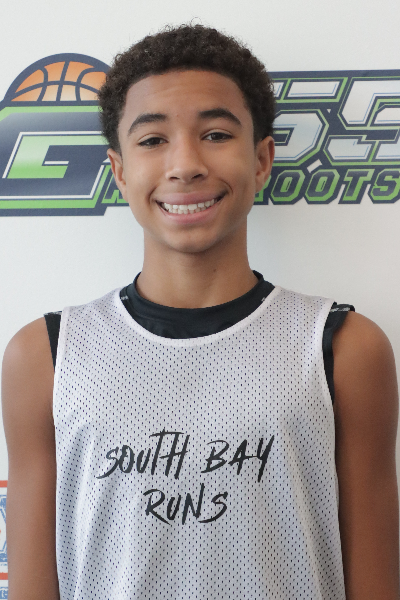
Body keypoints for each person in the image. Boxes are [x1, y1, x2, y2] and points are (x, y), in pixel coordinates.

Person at [1, 24, 399, 600]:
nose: (185, 164)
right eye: (152, 139)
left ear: (261, 159)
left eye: (215, 134)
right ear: (119, 170)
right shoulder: (45, 357)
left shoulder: (343, 348)